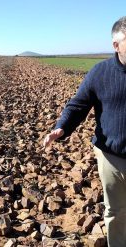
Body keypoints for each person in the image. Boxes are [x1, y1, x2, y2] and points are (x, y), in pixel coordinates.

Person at [43, 16, 126, 247]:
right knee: (117, 212)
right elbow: (78, 105)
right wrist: (62, 127)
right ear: (116, 45)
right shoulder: (100, 73)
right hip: (111, 157)